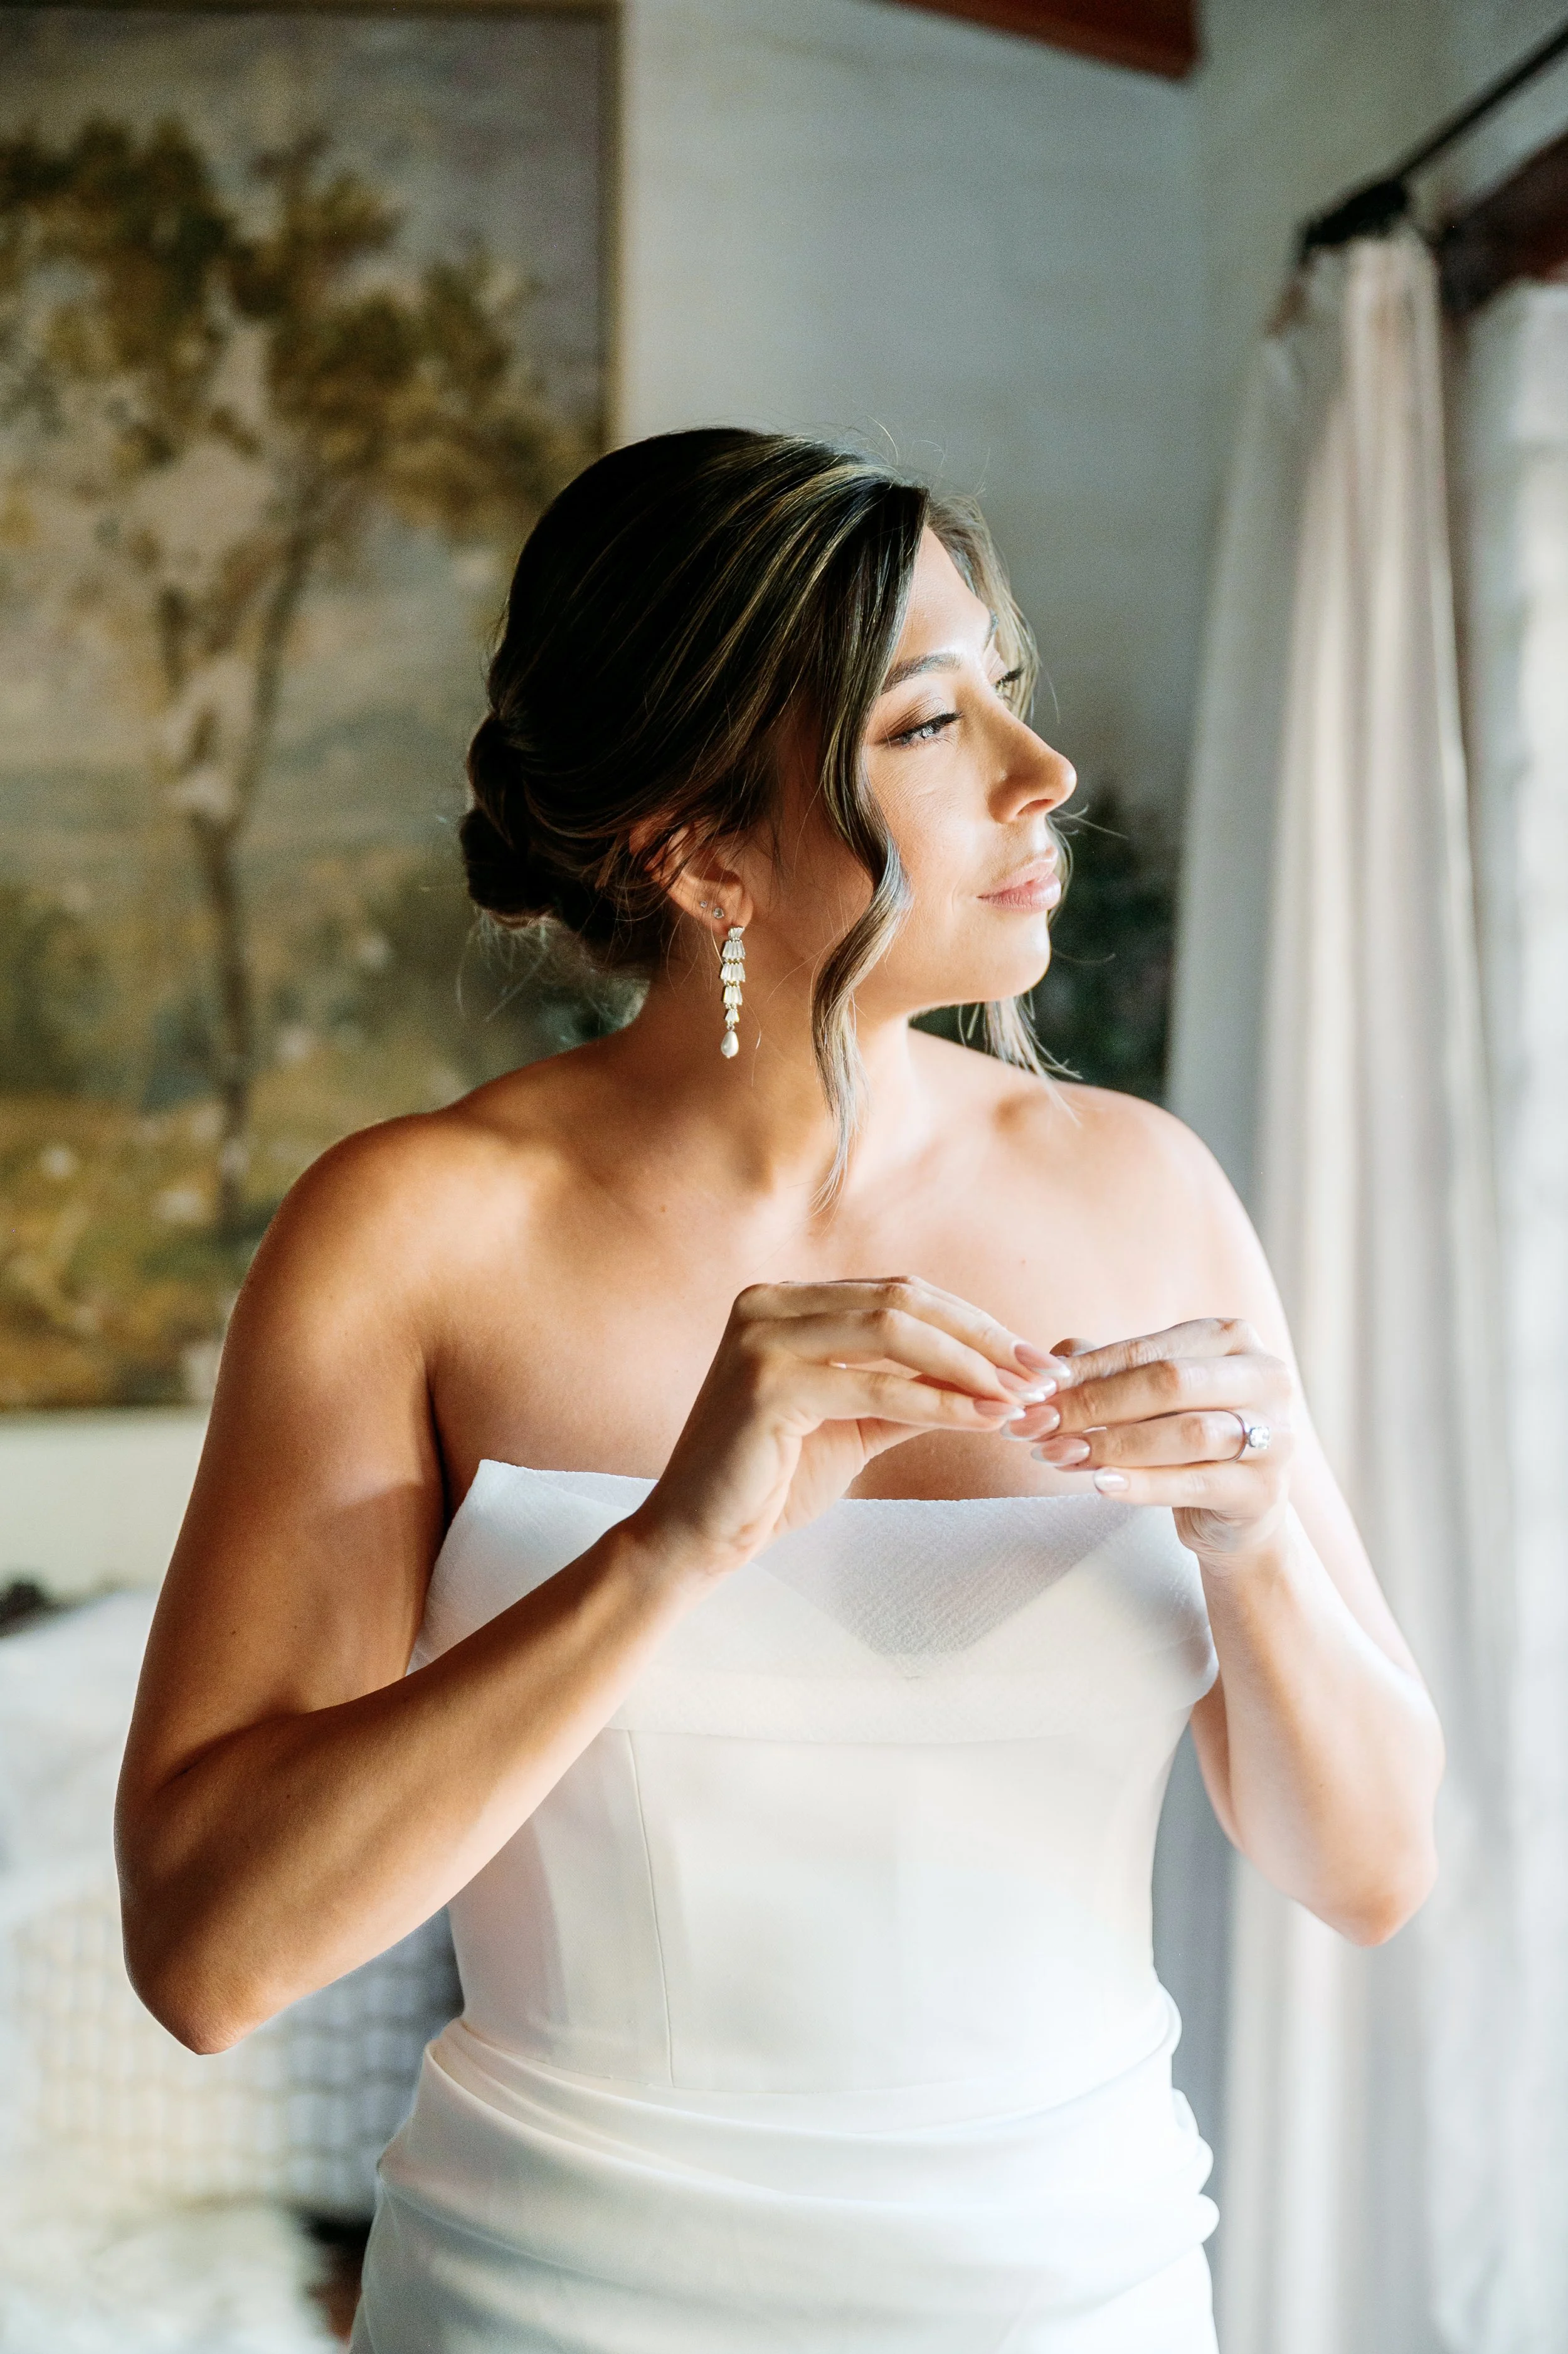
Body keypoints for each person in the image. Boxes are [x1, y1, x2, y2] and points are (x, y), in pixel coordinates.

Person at [116, 430, 1443, 2351]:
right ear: (700, 848)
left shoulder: (1147, 1191)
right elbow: (214, 1957)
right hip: (555, 2310)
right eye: (926, 721)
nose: (1038, 770)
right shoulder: (414, 1237)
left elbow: (1377, 1871)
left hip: (1085, 2300)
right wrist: (667, 1550)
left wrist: (1252, 1544)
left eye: (1009, 690)